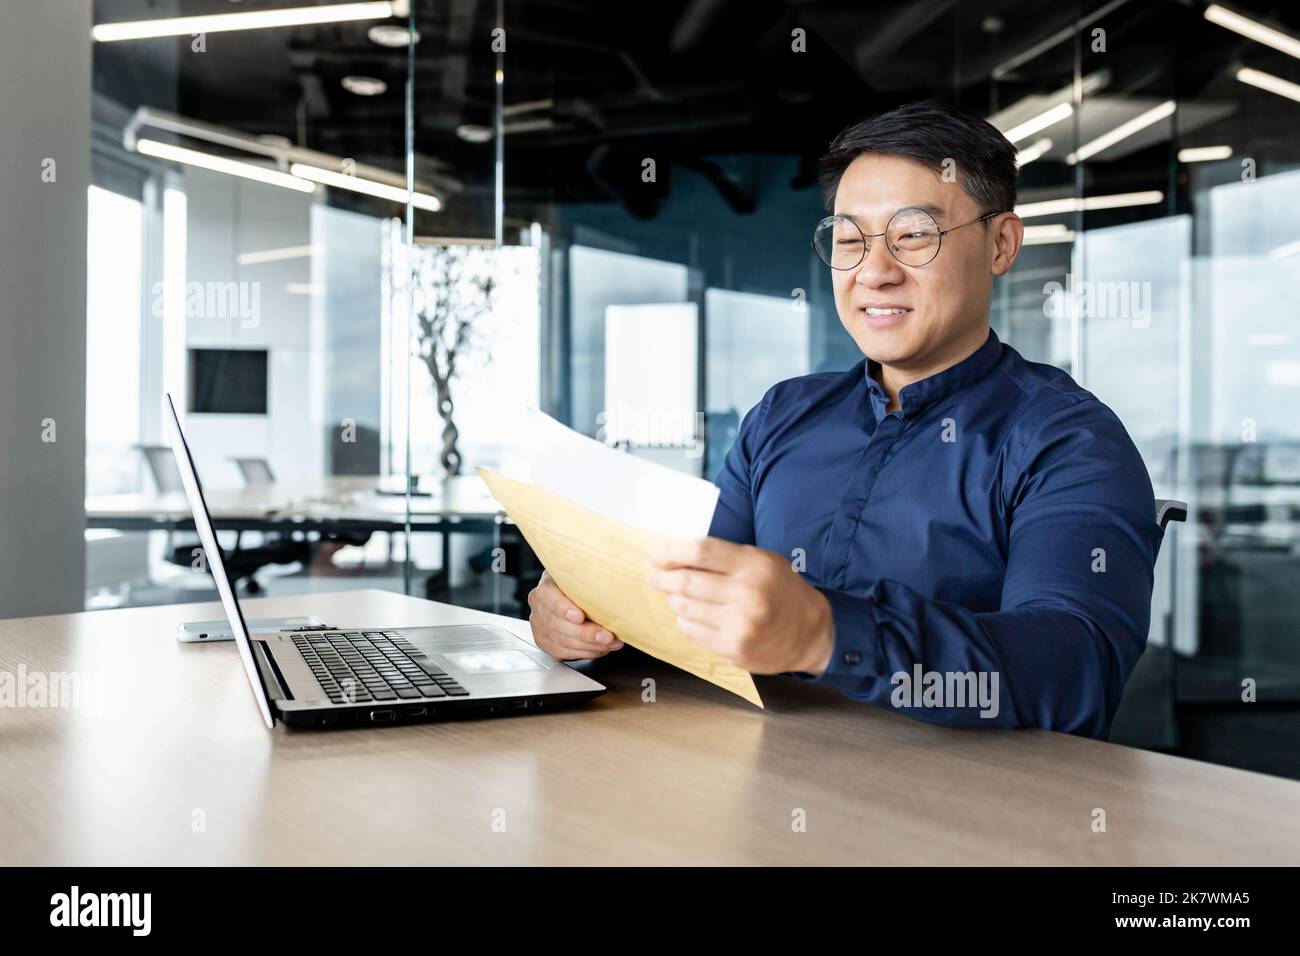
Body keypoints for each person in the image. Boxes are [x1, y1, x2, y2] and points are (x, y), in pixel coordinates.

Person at [526, 103, 1162, 738]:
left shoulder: (1069, 439)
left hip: (958, 814)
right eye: (851, 240)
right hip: (757, 779)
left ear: (1001, 244)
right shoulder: (782, 416)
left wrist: (828, 633)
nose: (874, 273)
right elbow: (689, 610)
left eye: (914, 235)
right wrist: (591, 620)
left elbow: (1077, 669)